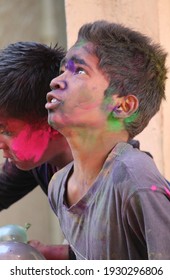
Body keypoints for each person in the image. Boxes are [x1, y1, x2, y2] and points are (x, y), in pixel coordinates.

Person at [46, 20, 170, 259]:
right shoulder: (58, 185)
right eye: (63, 70)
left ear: (123, 105)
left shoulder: (136, 178)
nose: (57, 81)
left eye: (79, 71)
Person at [0, 41, 75, 259]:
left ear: (50, 118)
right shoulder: (40, 162)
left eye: (6, 130)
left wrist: (50, 254)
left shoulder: (112, 178)